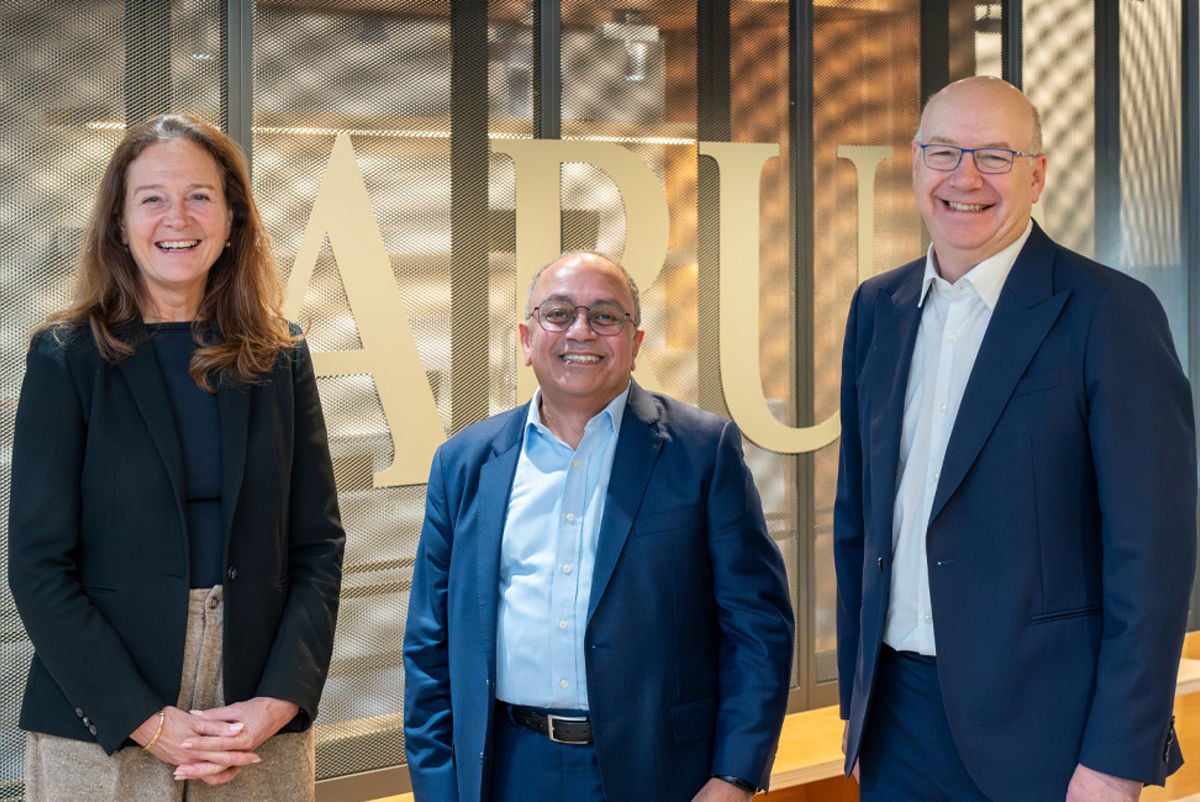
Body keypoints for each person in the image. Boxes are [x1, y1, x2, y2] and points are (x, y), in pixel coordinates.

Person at [834, 75, 1197, 802]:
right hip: (896, 723)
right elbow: (859, 523)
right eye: (943, 152)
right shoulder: (878, 307)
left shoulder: (1109, 313)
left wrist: (1116, 760)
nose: (964, 177)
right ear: (914, 162)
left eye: (996, 156)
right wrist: (859, 711)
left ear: (1037, 176)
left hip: (1050, 738)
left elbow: (1151, 559)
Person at [7, 113, 345, 801]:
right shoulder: (66, 358)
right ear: (119, 223)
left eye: (199, 195)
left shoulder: (278, 356)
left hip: (251, 710)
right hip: (104, 703)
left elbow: (317, 544)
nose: (177, 216)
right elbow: (39, 565)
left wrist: (280, 700)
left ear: (231, 219)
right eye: (152, 197)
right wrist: (144, 719)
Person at [403, 250, 795, 802]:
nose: (581, 331)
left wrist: (735, 776)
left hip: (662, 770)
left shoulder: (703, 453)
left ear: (634, 344)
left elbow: (757, 628)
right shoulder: (463, 464)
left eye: (607, 316)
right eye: (558, 313)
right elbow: (429, 646)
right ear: (526, 337)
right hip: (508, 769)